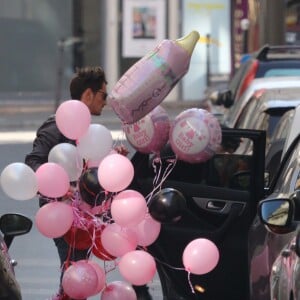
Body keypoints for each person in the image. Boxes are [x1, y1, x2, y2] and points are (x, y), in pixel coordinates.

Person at [25, 66, 109, 300]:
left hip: (84, 214)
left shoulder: (87, 130)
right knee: (74, 273)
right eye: (104, 95)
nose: (106, 102)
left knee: (76, 273)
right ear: (89, 95)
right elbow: (33, 161)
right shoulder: (58, 124)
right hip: (62, 215)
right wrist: (60, 189)